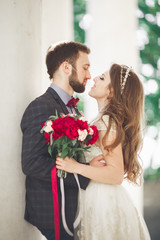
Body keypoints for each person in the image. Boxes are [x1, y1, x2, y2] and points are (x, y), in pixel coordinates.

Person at [56, 63, 151, 240]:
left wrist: (75, 166)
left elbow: (115, 174)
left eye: (101, 78)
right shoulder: (103, 120)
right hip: (95, 196)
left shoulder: (107, 122)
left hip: (103, 201)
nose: (93, 78)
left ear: (112, 92)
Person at [20, 41, 104, 240]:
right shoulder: (40, 107)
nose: (89, 75)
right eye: (85, 68)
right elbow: (31, 163)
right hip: (55, 213)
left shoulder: (74, 109)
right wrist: (82, 173)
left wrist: (87, 165)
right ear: (66, 67)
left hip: (76, 208)